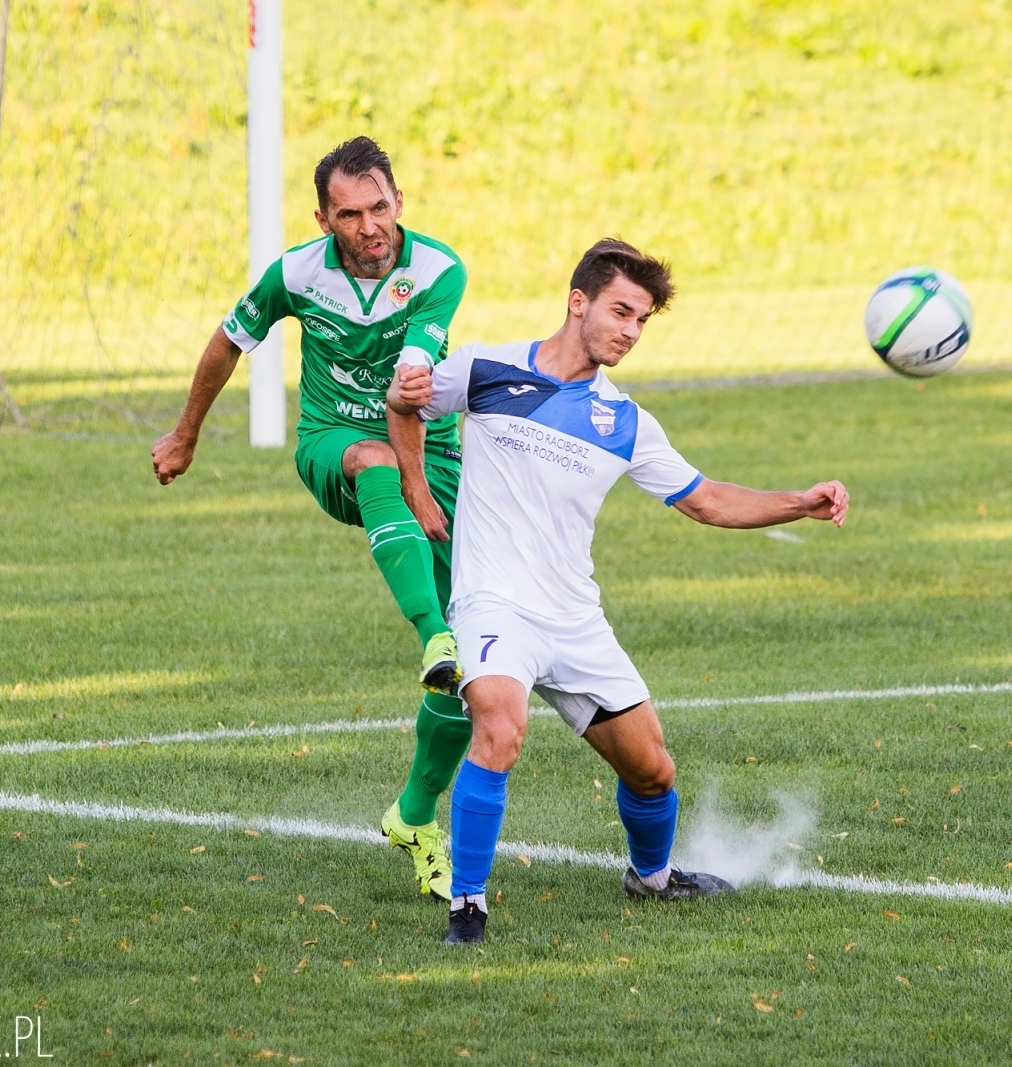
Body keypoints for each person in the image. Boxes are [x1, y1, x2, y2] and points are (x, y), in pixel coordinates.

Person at [385, 238, 850, 944]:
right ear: (579, 302)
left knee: (653, 770)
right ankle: (468, 908)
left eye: (642, 320)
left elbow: (707, 500)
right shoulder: (485, 369)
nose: (631, 331)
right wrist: (416, 486)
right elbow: (405, 401)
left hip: (575, 620)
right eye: (621, 311)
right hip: (494, 606)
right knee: (500, 731)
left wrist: (800, 502)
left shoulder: (625, 421)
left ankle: (652, 877)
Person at [151, 136, 472, 900]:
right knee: (375, 462)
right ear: (324, 219)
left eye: (379, 208)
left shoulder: (438, 272)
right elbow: (227, 342)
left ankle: (414, 815)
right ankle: (431, 633)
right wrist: (186, 433)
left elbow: (409, 385)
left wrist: (423, 480)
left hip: (432, 455)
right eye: (350, 214)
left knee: (478, 669)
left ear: (400, 202)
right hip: (335, 446)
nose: (369, 226)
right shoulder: (295, 274)